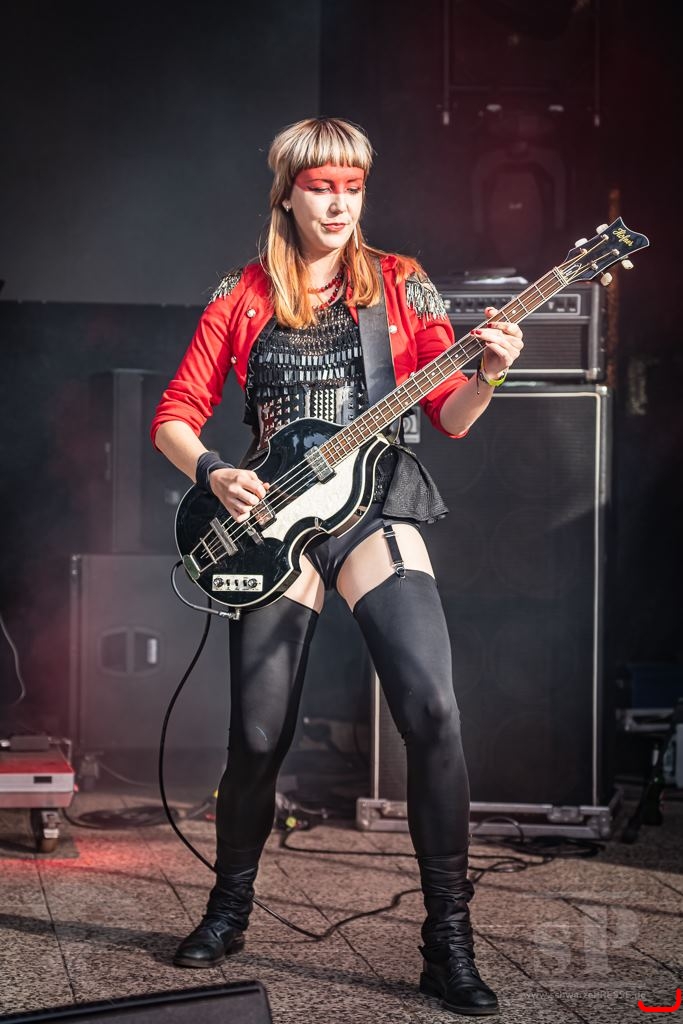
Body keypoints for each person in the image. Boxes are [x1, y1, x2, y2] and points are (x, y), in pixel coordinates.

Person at [151, 116, 523, 1018]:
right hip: (276, 522)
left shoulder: (398, 283)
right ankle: (229, 908)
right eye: (322, 187)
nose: (339, 204)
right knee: (256, 737)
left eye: (353, 188)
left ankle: (448, 941)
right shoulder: (242, 293)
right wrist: (216, 471)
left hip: (377, 507)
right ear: (288, 192)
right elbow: (174, 415)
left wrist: (489, 373)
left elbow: (451, 413)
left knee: (432, 709)